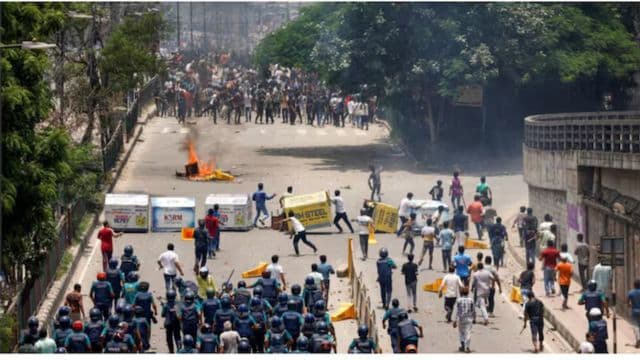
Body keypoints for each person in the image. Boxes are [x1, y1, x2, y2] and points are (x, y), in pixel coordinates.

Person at [452, 286, 474, 353]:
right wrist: (474, 318)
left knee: (461, 332)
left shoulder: (458, 300)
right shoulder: (471, 300)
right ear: (468, 293)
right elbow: (473, 310)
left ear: (461, 293)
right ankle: (467, 347)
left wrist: (454, 320)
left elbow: (456, 310)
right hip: (469, 319)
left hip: (461, 319)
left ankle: (462, 346)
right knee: (468, 332)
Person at [161, 289, 181, 353]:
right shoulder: (178, 304)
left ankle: (171, 351)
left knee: (169, 338)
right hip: (176, 323)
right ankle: (179, 349)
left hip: (168, 324)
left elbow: (163, 315)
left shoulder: (166, 305)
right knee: (177, 337)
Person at [627, 279, 640, 348]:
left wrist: (630, 305)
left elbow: (628, 303)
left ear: (634, 285)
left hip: (635, 311)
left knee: (636, 326)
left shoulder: (631, 293)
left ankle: (638, 339)